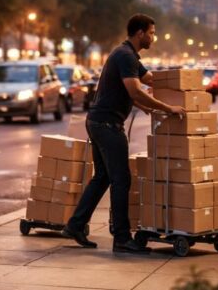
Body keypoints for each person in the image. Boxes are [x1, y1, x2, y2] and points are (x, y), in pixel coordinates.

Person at [61, 14, 186, 253]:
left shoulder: (127, 55)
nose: (153, 37)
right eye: (151, 32)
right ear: (140, 33)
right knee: (121, 179)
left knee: (103, 177)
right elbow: (135, 90)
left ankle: (75, 225)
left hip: (98, 121)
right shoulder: (125, 56)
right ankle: (121, 238)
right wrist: (168, 107)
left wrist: (177, 85)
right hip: (107, 124)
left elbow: (148, 79)